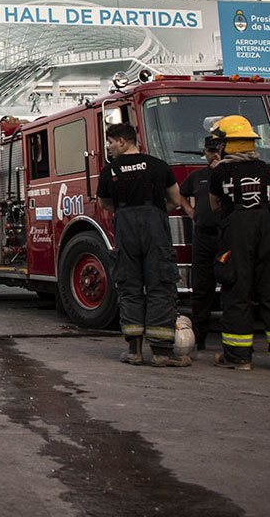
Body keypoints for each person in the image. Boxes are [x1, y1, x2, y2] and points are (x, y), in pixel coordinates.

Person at [208, 115, 270, 373]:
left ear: (226, 145)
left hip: (236, 234)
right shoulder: (265, 170)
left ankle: (238, 358)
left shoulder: (221, 171)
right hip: (266, 230)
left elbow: (215, 205)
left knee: (237, 292)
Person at [95, 123, 189, 367]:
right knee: (160, 285)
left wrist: (128, 211)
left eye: (111, 142)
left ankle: (134, 351)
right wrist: (154, 211)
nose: (109, 147)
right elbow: (175, 199)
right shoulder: (159, 165)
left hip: (125, 228)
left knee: (129, 286)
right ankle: (162, 352)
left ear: (123, 142)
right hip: (155, 228)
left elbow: (104, 204)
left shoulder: (109, 171)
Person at [179, 135, 223, 350]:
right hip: (203, 236)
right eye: (209, 151)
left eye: (217, 151)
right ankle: (200, 338)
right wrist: (190, 211)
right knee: (202, 288)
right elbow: (180, 194)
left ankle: (234, 337)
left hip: (227, 235)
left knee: (233, 286)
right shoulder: (198, 177)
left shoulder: (230, 174)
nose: (213, 155)